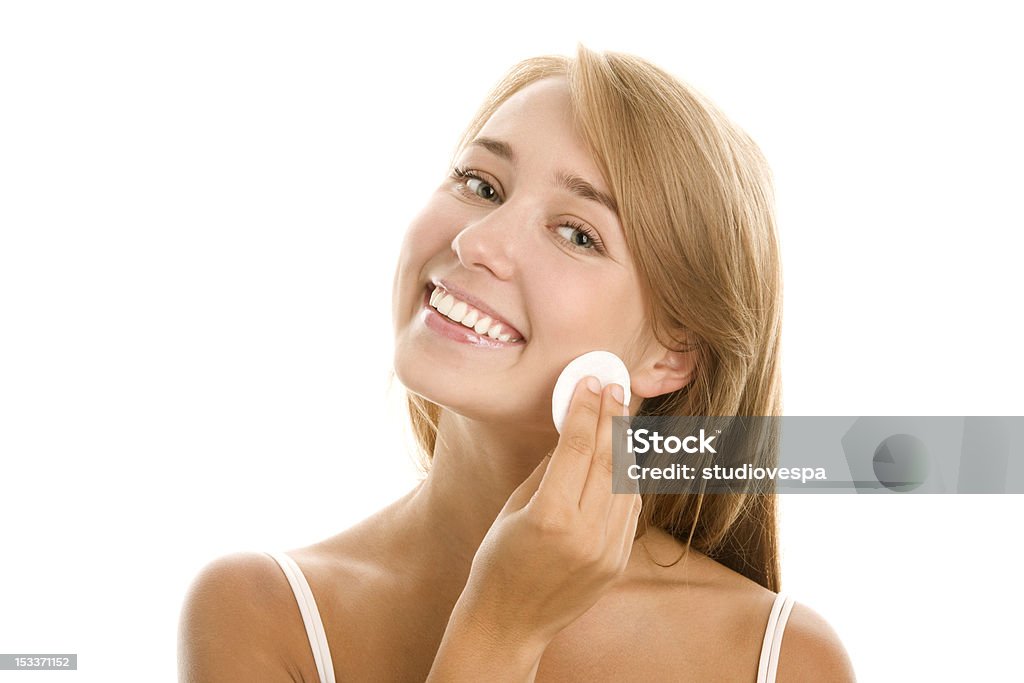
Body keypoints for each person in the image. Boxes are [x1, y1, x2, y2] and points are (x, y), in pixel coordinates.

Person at [178, 44, 857, 681]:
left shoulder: (784, 658)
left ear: (672, 352)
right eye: (481, 184)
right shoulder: (259, 613)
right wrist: (500, 627)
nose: (478, 241)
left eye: (576, 232)